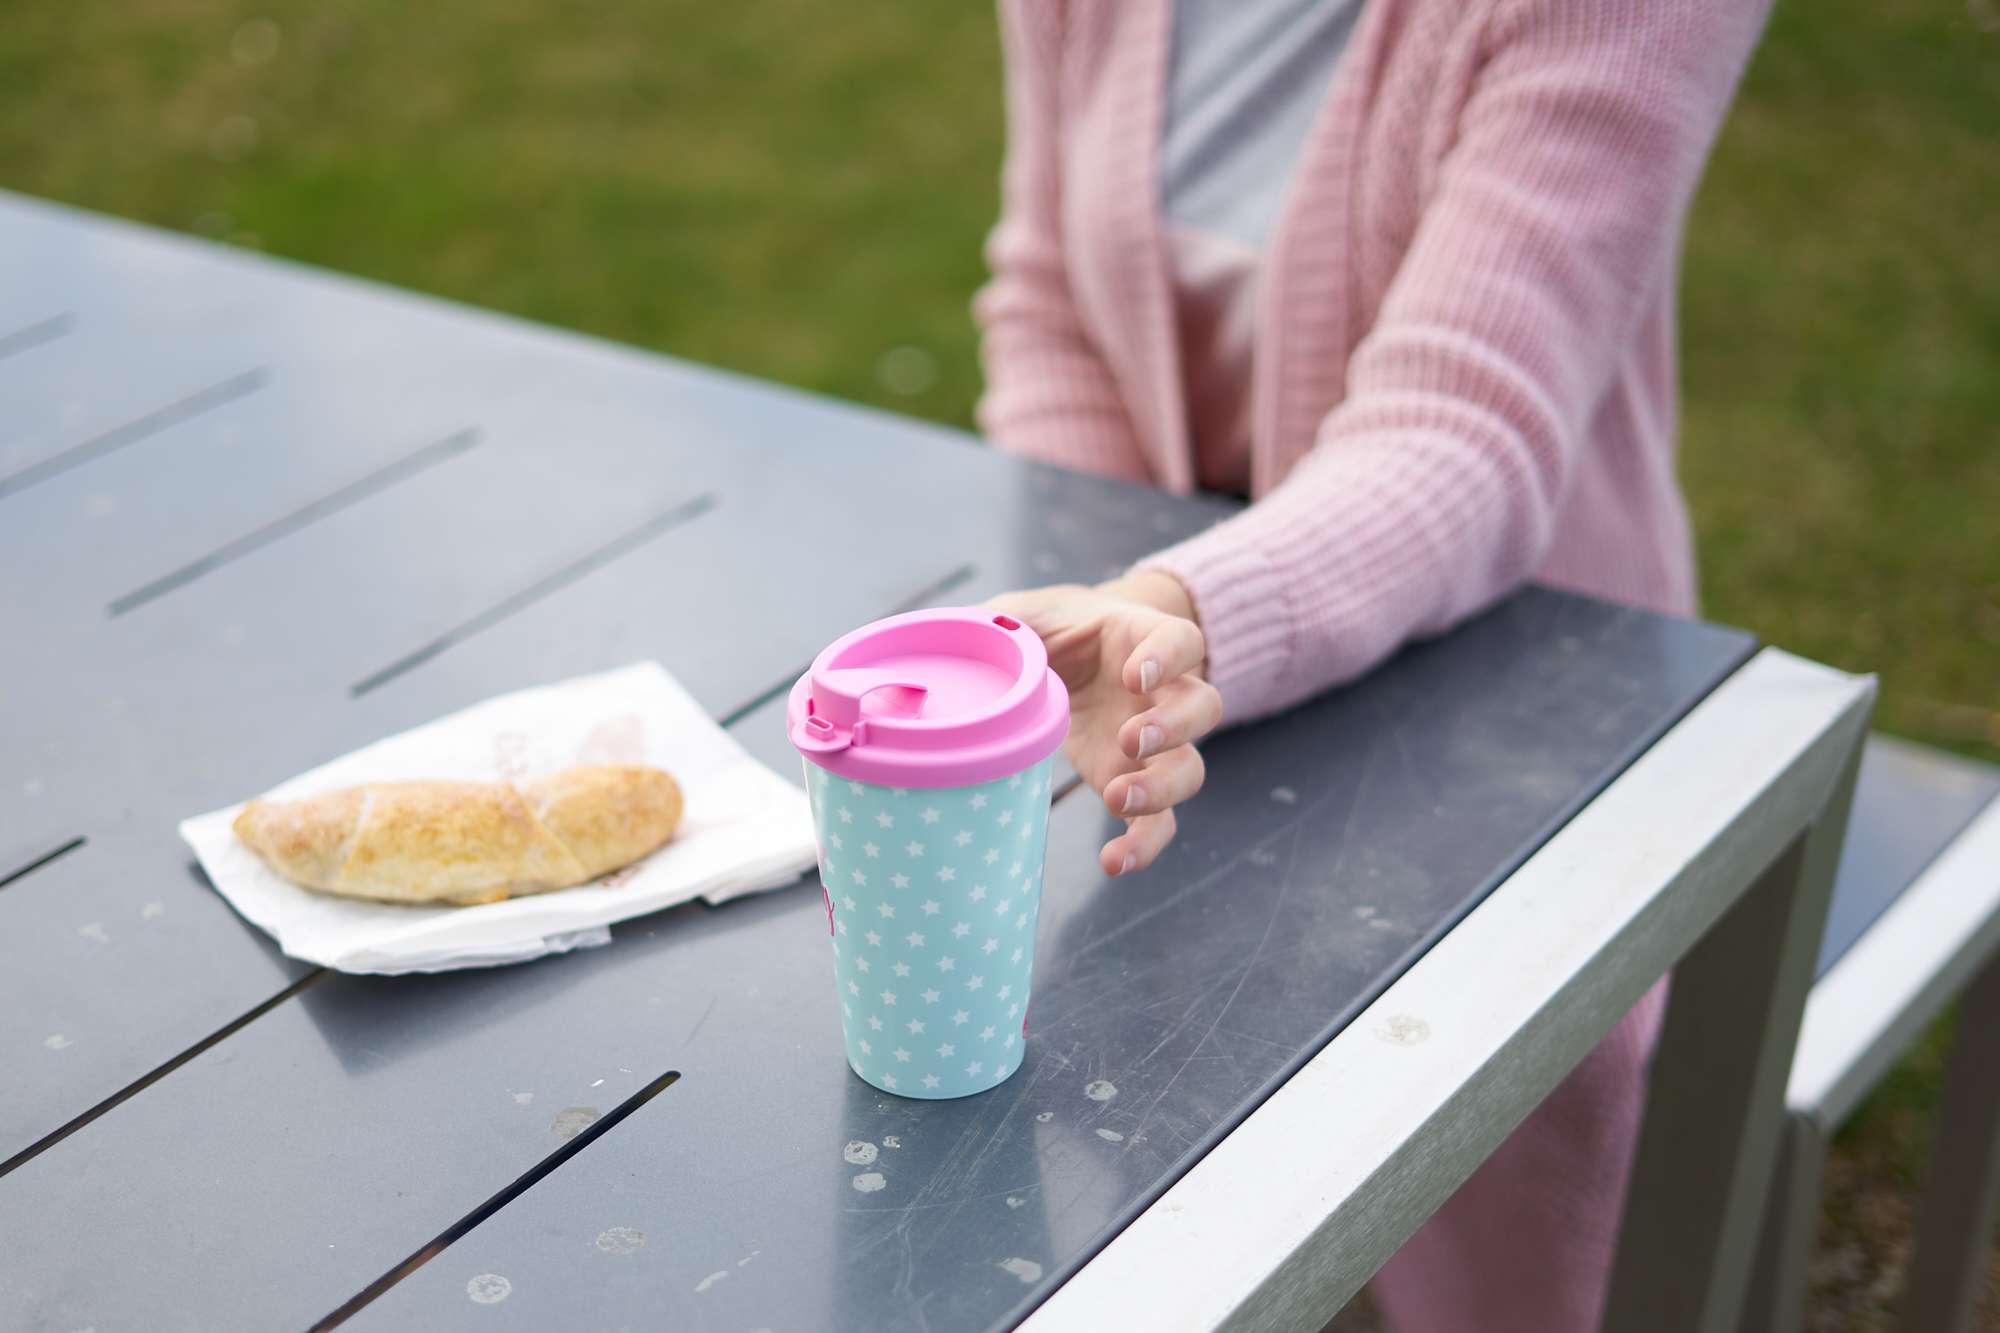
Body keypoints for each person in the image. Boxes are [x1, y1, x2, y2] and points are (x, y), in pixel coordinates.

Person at [979, 1, 1772, 1328]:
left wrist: (1172, 607)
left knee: (1460, 1156)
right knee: (1125, 1143)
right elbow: (1049, 287)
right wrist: (1109, 631)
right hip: (1170, 683)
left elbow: (1462, 430)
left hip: (1519, 688)